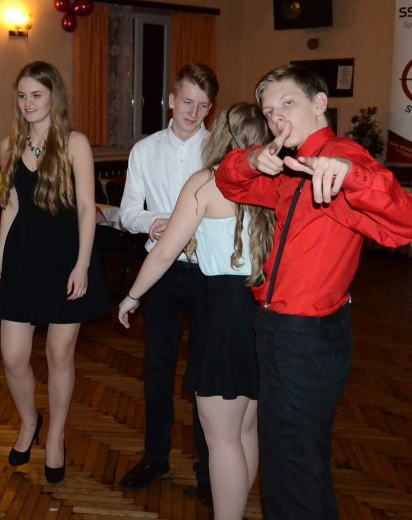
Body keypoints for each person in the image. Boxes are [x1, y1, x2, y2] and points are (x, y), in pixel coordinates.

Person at [215, 65, 412, 520]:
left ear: (320, 103)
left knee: (292, 467)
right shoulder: (292, 167)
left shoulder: (339, 157)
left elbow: (408, 223)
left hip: (304, 336)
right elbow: (227, 181)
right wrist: (252, 159)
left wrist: (348, 173)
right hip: (278, 330)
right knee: (296, 460)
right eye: (269, 112)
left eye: (287, 103)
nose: (277, 118)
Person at [118, 103, 274, 520]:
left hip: (223, 313)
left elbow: (164, 252)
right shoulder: (272, 182)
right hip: (261, 312)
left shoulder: (206, 182)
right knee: (245, 427)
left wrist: (132, 296)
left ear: (221, 135)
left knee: (222, 438)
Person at [0, 61, 108, 485]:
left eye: (36, 95)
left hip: (65, 257)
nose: (28, 103)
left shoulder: (75, 143)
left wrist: (83, 264)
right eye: (22, 96)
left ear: (53, 96)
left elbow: (87, 209)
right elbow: (10, 206)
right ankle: (29, 422)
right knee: (13, 356)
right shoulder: (8, 145)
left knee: (59, 354)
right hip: (21, 257)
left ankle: (55, 437)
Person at [117, 62, 217, 502]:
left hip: (209, 271)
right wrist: (154, 221)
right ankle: (155, 456)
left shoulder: (219, 150)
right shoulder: (144, 150)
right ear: (171, 100)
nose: (193, 112)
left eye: (203, 105)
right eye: (187, 102)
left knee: (206, 374)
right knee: (157, 370)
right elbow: (127, 213)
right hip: (160, 272)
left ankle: (210, 471)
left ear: (210, 108)